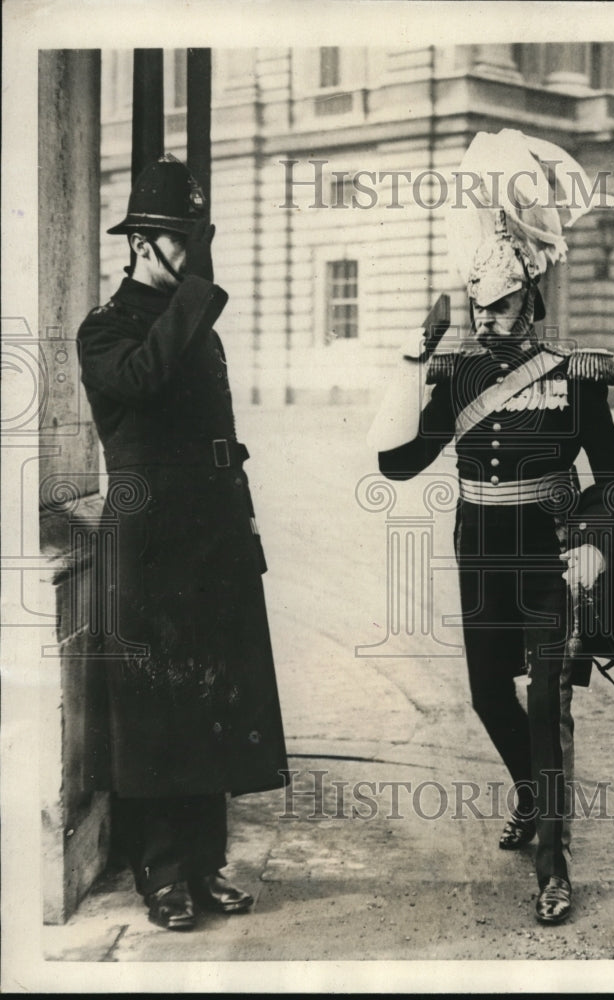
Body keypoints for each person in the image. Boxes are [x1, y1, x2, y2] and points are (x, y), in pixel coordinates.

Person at [368, 129, 614, 924]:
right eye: (484, 306)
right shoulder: (458, 374)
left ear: (532, 302)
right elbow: (397, 465)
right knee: (485, 694)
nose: (494, 318)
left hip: (550, 557)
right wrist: (412, 361)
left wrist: (591, 543)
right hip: (481, 554)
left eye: (506, 303)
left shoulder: (576, 378)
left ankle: (552, 858)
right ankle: (529, 794)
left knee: (549, 702)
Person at [77, 154, 288, 931]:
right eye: (175, 240)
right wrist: (193, 297)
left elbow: (219, 438)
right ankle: (161, 874)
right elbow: (138, 382)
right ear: (137, 243)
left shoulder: (192, 326)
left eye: (192, 239)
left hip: (210, 540)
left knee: (211, 702)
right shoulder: (105, 331)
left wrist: (245, 523)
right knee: (154, 714)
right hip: (148, 543)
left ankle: (204, 866)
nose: (189, 255)